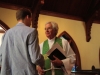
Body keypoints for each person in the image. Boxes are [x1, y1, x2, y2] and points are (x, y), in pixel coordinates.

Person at [0, 8, 44, 75]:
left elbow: (1, 57)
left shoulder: (6, 33)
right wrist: (42, 62)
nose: (30, 22)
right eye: (30, 19)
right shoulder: (31, 31)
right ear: (27, 17)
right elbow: (35, 58)